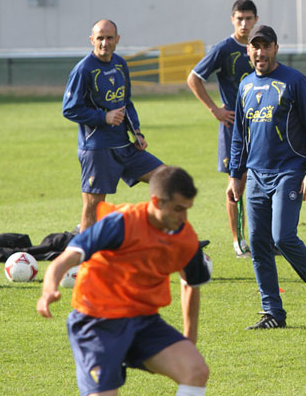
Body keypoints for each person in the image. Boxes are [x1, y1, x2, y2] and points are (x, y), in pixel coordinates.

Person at [37, 165, 211, 396]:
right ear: (157, 201)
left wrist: (189, 338)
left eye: (187, 209)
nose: (184, 217)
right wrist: (49, 290)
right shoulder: (122, 222)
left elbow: (191, 283)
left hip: (144, 323)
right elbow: (65, 259)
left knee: (195, 370)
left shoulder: (185, 237)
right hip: (96, 323)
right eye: (178, 209)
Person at [227, 25, 306, 330]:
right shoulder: (246, 85)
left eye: (265, 47)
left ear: (276, 49)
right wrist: (236, 175)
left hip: (290, 171)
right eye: (255, 47)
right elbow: (239, 135)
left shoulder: (295, 81)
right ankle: (273, 312)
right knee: (258, 244)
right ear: (248, 51)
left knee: (282, 237)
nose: (260, 53)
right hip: (256, 176)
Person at [63, 19, 165, 233]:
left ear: (117, 39)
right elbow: (70, 109)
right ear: (92, 40)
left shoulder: (120, 64)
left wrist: (136, 131)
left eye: (109, 38)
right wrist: (104, 117)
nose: (104, 43)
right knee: (93, 206)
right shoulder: (83, 70)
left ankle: (158, 235)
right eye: (100, 38)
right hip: (97, 149)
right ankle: (85, 258)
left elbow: (126, 102)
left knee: (167, 179)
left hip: (125, 146)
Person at [187, 0, 258, 258]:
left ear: (255, 20)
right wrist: (214, 109)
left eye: (248, 19)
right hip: (234, 128)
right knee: (236, 184)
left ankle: (268, 239)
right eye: (239, 18)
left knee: (265, 182)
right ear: (232, 20)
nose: (244, 23)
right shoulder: (224, 49)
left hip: (261, 124)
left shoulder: (259, 47)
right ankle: (238, 240)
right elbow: (193, 78)